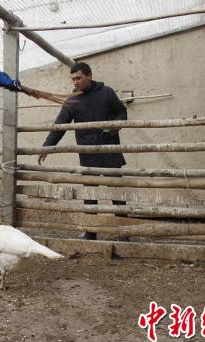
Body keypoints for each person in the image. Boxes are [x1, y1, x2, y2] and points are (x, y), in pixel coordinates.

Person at [38, 62, 129, 241]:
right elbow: (60, 124)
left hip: (110, 151)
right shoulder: (73, 99)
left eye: (79, 78)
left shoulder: (107, 92)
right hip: (88, 154)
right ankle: (91, 232)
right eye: (73, 79)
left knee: (117, 194)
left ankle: (123, 232)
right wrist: (47, 145)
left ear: (89, 76)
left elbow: (121, 112)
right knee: (90, 195)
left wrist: (117, 125)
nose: (76, 82)